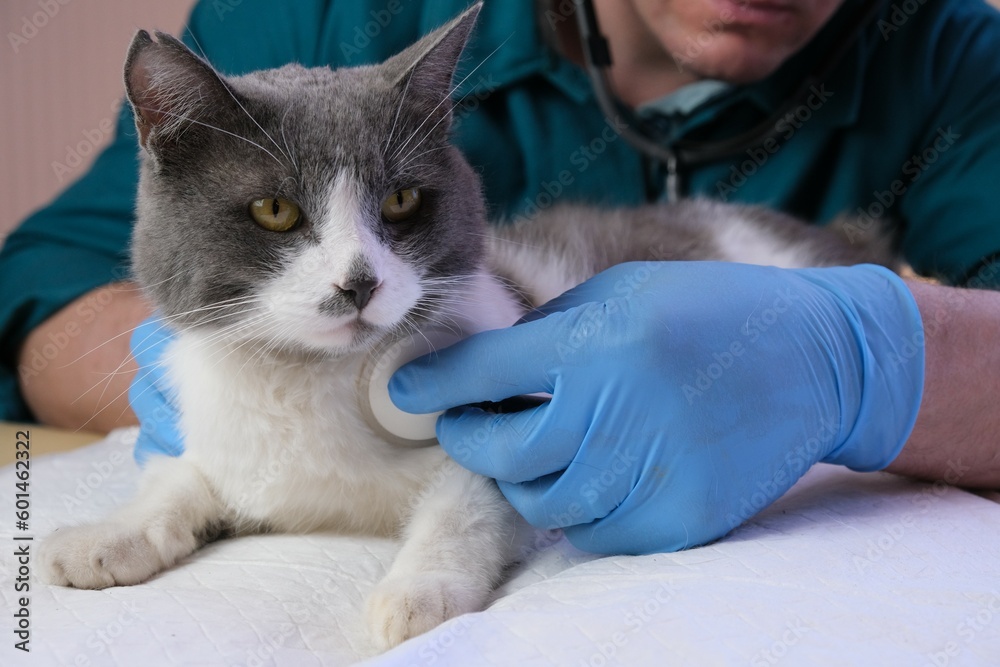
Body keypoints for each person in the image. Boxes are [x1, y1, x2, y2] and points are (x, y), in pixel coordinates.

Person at [2, 0, 999, 553]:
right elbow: (39, 278)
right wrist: (247, 397)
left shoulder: (949, 54)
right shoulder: (320, 13)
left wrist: (871, 364)